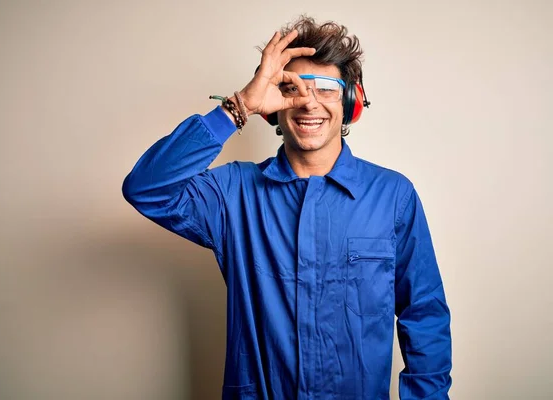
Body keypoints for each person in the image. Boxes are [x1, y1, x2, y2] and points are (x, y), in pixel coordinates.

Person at [123, 15, 452, 400]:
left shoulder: (393, 196)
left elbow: (424, 313)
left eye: (327, 88)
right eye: (292, 88)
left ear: (351, 102)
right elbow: (147, 188)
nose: (308, 102)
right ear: (271, 106)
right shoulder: (233, 192)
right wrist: (239, 105)